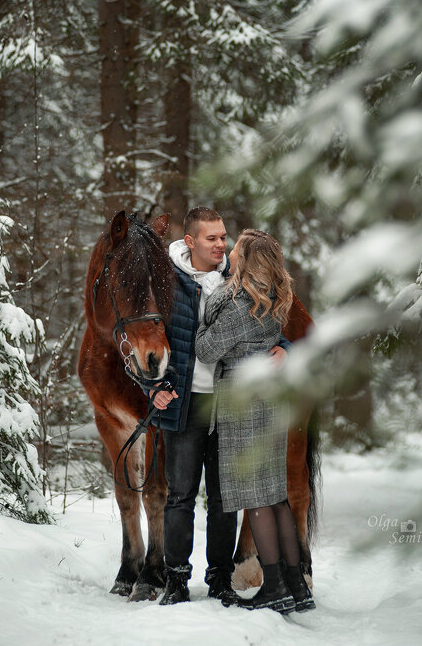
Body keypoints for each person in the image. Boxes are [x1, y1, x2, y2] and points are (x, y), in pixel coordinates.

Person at [194, 229, 315, 614]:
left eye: (236, 250)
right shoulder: (274, 298)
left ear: (245, 261)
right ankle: (297, 586)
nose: (227, 252)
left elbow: (206, 349)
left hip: (242, 404)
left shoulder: (234, 303)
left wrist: (212, 303)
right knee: (275, 495)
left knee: (255, 499)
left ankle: (275, 585)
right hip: (271, 401)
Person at [150, 207, 239, 606]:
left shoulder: (238, 279)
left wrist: (283, 349)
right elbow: (145, 342)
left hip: (229, 405)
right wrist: (153, 387)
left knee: (223, 499)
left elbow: (271, 321)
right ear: (190, 241)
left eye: (223, 237)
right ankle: (176, 579)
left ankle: (221, 578)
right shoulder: (167, 283)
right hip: (184, 405)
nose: (221, 244)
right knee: (180, 496)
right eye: (212, 238)